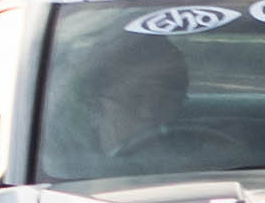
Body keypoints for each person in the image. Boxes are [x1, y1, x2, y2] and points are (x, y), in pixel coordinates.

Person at [45, 33, 191, 175]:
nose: (147, 113)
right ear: (93, 107)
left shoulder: (197, 160)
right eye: (134, 99)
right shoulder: (62, 166)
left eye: (164, 101)